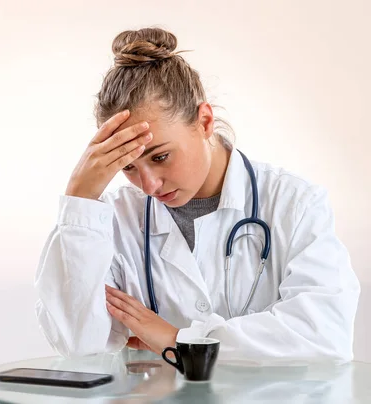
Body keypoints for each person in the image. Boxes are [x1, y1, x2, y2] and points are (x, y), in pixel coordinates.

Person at [33, 27, 360, 364]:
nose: (148, 186)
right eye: (127, 167)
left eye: (160, 157)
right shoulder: (110, 222)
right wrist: (80, 200)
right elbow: (79, 342)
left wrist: (181, 340)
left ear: (204, 121)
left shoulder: (294, 203)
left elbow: (325, 336)